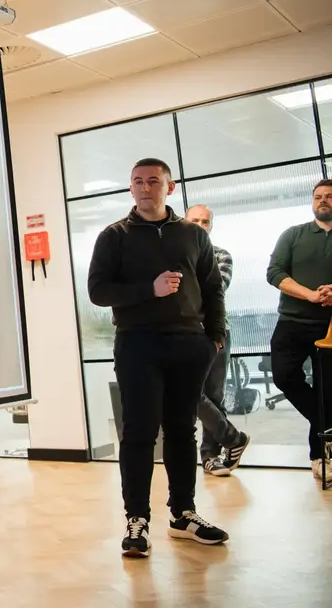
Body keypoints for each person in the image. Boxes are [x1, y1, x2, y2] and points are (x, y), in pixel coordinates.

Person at [88, 158, 229, 559]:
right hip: (137, 345)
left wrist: (214, 338)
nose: (145, 188)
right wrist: (148, 290)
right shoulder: (114, 236)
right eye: (137, 182)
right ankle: (137, 520)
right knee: (139, 433)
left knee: (183, 432)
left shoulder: (192, 235)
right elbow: (98, 291)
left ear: (170, 187)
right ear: (130, 189)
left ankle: (183, 514)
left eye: (153, 181)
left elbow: (213, 289)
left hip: (189, 344)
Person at [267, 179, 332, 484]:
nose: (323, 201)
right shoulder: (293, 234)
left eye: (329, 196)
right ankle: (325, 424)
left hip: (330, 328)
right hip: (292, 322)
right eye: (318, 196)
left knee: (327, 392)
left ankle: (320, 456)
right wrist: (309, 294)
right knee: (283, 376)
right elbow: (275, 273)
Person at [184, 205, 250, 476]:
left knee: (213, 394)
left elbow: (215, 289)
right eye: (194, 220)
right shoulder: (174, 255)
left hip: (215, 330)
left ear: (211, 226)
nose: (200, 225)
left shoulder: (221, 255)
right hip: (182, 332)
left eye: (205, 221)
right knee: (188, 392)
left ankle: (210, 457)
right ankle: (234, 438)